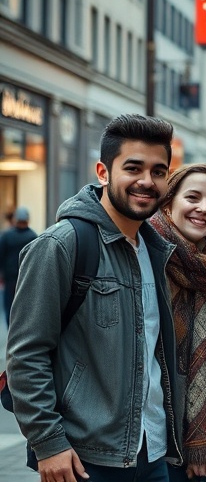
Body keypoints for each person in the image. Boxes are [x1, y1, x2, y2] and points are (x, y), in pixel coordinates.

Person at [6, 114, 184, 481]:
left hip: (152, 451)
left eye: (158, 171)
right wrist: (48, 442)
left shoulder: (155, 250)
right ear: (103, 172)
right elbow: (26, 355)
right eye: (133, 168)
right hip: (84, 459)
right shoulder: (62, 244)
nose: (146, 181)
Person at [149, 164, 206, 482]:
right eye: (193, 197)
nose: (203, 208)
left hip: (197, 439)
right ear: (168, 202)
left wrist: (201, 439)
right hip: (146, 436)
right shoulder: (144, 253)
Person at [0, 206, 37, 324]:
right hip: (26, 278)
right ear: (27, 220)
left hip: (10, 278)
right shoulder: (33, 237)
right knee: (25, 309)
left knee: (9, 308)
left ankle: (11, 334)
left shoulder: (7, 236)